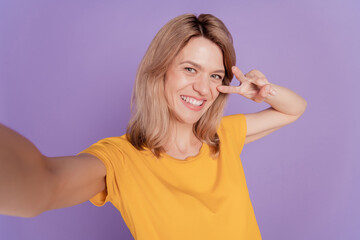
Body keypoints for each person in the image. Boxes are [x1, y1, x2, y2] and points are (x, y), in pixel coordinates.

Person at [0, 13, 307, 239]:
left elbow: (294, 109)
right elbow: (44, 184)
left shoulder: (222, 137)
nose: (203, 88)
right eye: (190, 69)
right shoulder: (121, 159)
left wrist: (264, 91)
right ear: (159, 72)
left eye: (215, 76)